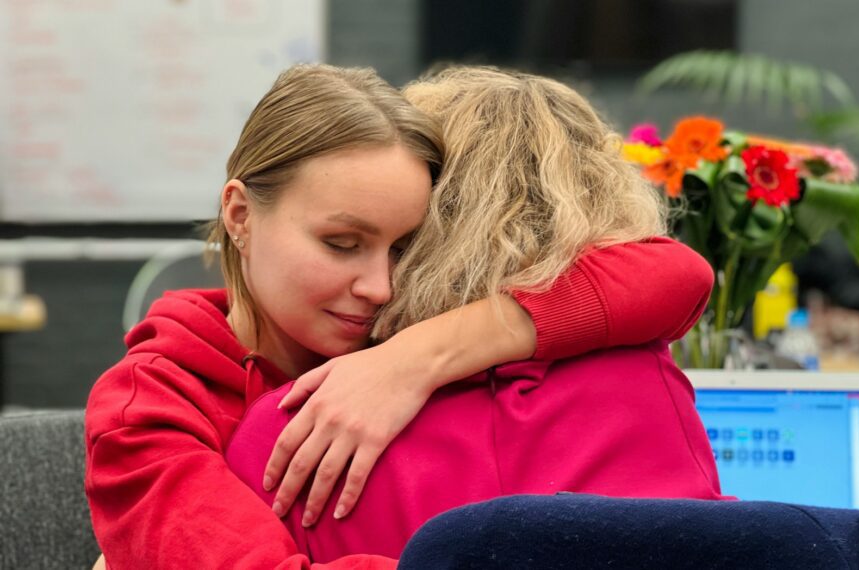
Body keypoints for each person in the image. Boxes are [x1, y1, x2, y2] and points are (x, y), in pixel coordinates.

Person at [85, 64, 712, 569]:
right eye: (341, 243)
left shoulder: (402, 343)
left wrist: (413, 358)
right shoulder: (153, 403)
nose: (381, 286)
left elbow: (675, 275)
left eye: (407, 248)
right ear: (241, 216)